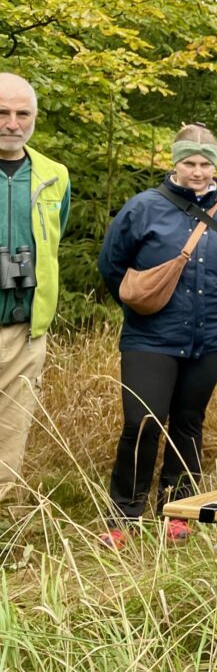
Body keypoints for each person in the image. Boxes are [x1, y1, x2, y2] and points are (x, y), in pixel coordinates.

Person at [98, 123, 217, 547]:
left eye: (206, 164)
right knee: (143, 422)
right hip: (151, 337)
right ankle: (124, 516)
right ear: (175, 162)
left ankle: (178, 509)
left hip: (213, 341)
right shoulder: (142, 209)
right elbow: (113, 267)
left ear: (216, 167)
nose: (198, 171)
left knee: (187, 422)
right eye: (190, 162)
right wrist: (144, 306)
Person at [0, 73, 70, 503]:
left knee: (11, 431)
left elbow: (54, 238)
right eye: (2, 112)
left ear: (34, 118)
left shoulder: (53, 175)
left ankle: (3, 528)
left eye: (22, 113)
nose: (12, 122)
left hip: (25, 329)